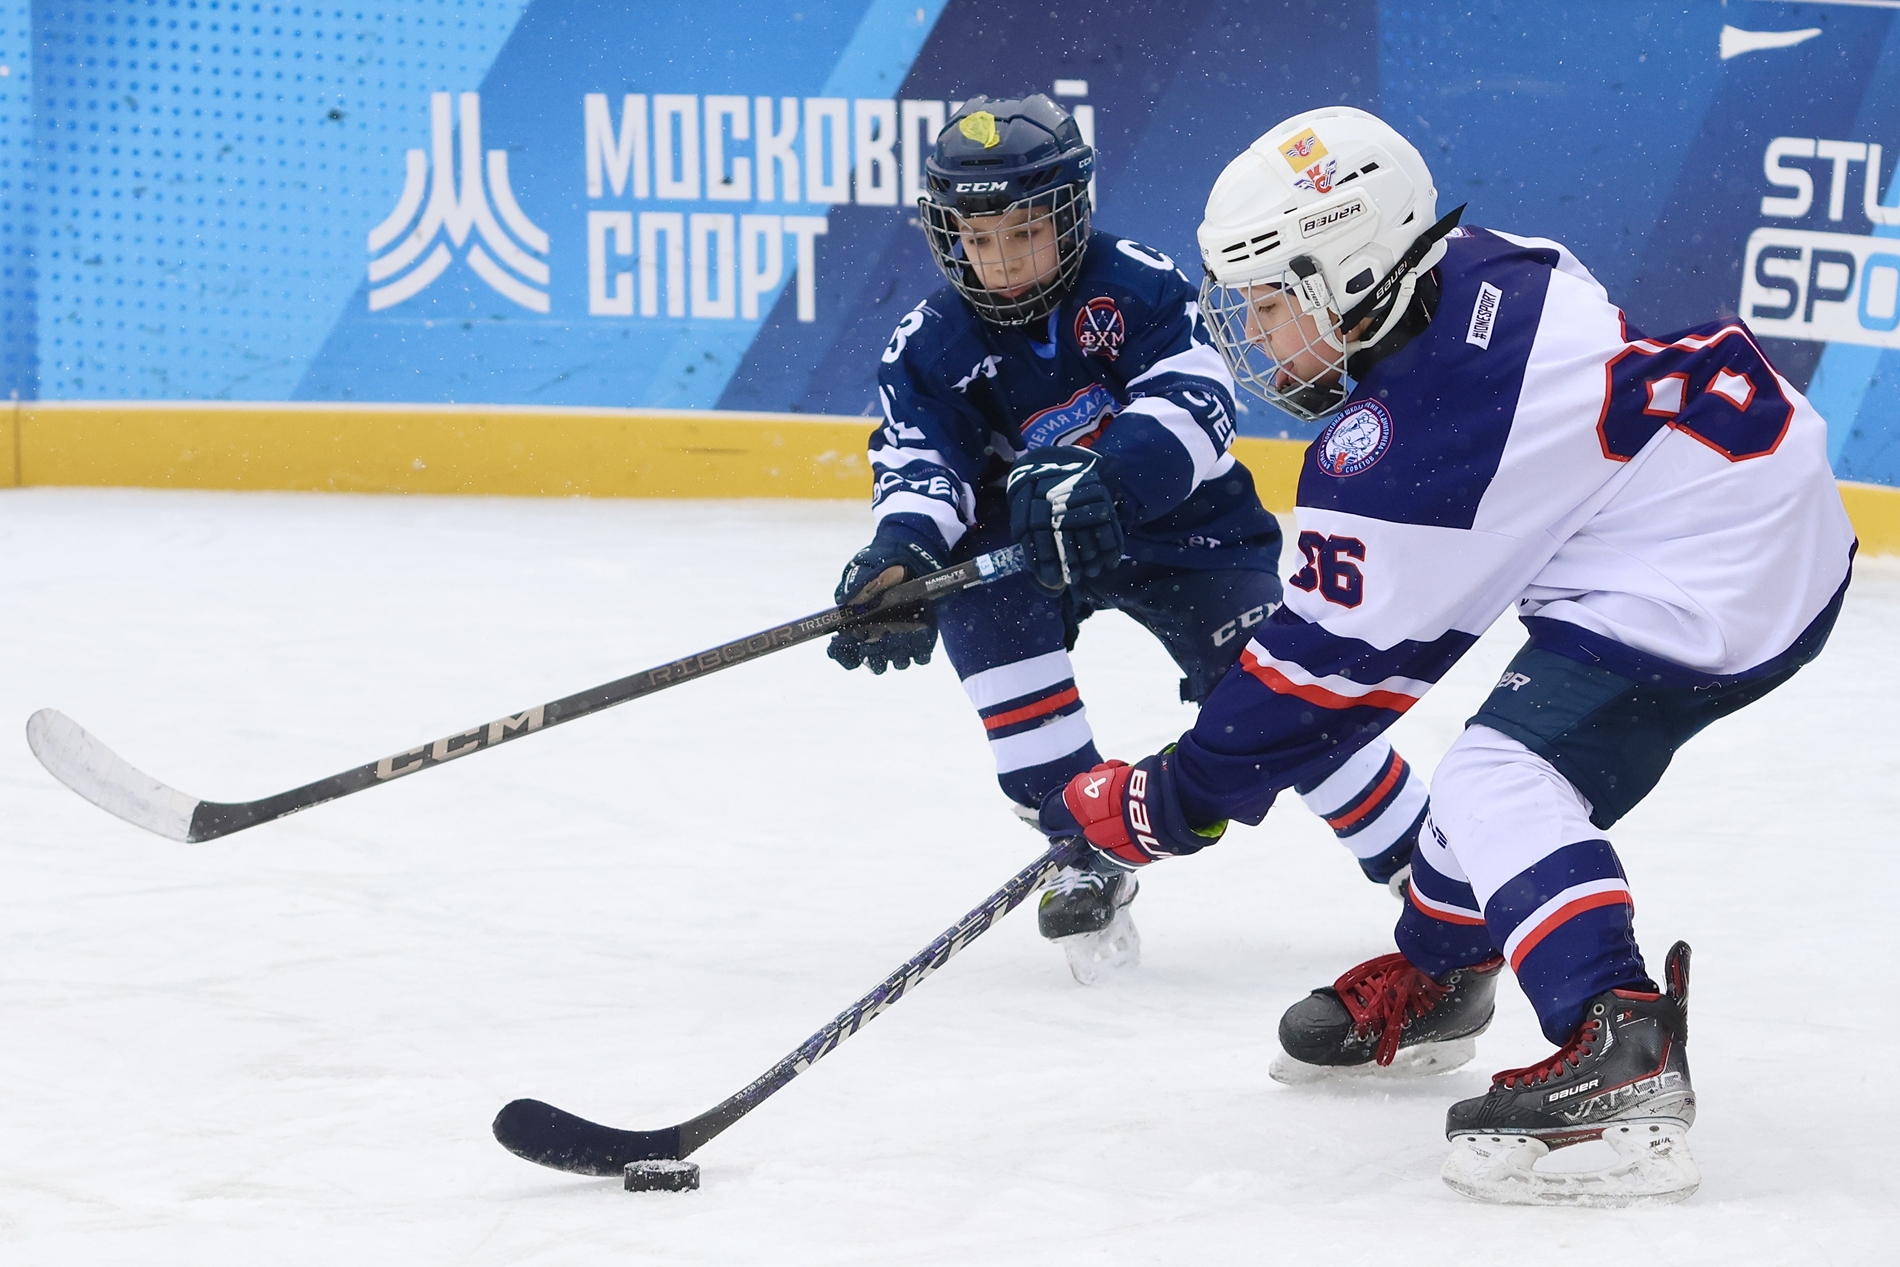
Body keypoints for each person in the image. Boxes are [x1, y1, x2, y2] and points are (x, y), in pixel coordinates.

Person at [1038, 105, 1854, 1203]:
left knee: (1497, 775)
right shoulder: (1484, 264)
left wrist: (1164, 802)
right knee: (1498, 768)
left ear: (1354, 271)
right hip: (1737, 503)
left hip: (1707, 570)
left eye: (1274, 300)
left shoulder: (1412, 446)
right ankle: (1445, 967)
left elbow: (1315, 687)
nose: (1259, 334)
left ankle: (1621, 1045)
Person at [828, 95, 1431, 983]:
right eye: (978, 237)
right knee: (979, 612)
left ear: (1071, 213)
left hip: (1191, 533)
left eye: (1023, 231)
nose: (999, 262)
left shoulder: (1139, 283)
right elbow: (923, 467)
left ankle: (1420, 855)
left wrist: (1109, 474)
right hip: (1030, 552)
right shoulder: (928, 346)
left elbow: (1199, 400)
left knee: (1274, 692)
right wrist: (903, 555)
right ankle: (1082, 840)